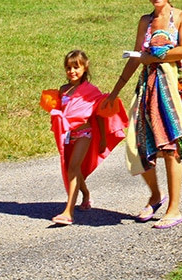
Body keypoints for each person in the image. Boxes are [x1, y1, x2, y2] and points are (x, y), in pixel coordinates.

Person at [105, 0, 182, 230]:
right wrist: (114, 93)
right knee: (138, 144)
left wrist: (153, 56)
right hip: (147, 86)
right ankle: (156, 196)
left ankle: (174, 208)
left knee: (170, 147)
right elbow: (136, 57)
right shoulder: (144, 21)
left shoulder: (181, 17)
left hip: (172, 88)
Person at [44, 49, 128, 226]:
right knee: (74, 169)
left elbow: (98, 114)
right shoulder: (64, 90)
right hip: (68, 135)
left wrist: (103, 139)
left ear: (85, 67)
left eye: (76, 67)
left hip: (84, 134)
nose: (72, 71)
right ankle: (86, 194)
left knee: (73, 168)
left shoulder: (90, 90)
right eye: (68, 67)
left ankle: (68, 212)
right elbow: (63, 111)